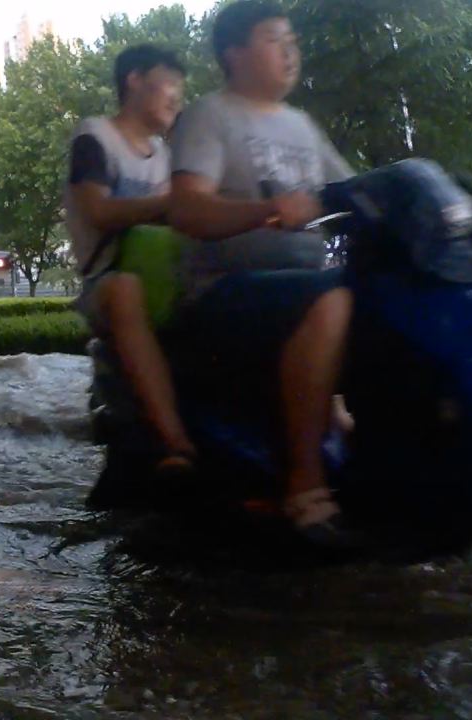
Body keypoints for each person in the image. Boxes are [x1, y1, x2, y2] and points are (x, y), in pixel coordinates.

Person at [167, 1, 357, 546]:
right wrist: (266, 211)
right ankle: (305, 484)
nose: (291, 49)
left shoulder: (302, 124)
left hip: (305, 285)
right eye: (276, 38)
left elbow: (358, 190)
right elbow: (187, 211)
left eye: (292, 38)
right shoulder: (211, 115)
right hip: (223, 295)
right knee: (335, 297)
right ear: (235, 53)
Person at [64, 45, 194, 476]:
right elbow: (97, 211)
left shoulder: (167, 155)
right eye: (170, 81)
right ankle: (174, 441)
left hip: (171, 274)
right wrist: (168, 202)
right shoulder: (94, 138)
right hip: (108, 281)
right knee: (125, 289)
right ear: (134, 80)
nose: (177, 95)